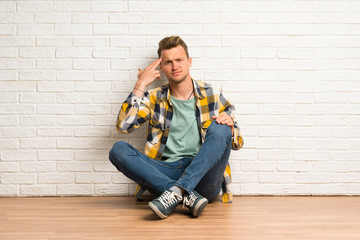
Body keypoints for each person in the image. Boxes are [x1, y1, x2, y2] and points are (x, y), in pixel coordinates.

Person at [109, 36, 243, 219]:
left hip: (202, 174)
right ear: (162, 68)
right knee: (118, 150)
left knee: (222, 127)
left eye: (179, 60)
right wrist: (140, 85)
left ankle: (175, 192)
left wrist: (230, 128)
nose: (175, 66)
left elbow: (236, 143)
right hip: (165, 170)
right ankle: (185, 195)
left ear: (189, 61)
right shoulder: (153, 97)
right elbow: (124, 126)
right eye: (168, 62)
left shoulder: (212, 94)